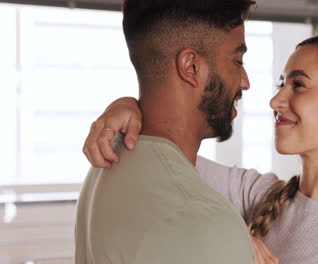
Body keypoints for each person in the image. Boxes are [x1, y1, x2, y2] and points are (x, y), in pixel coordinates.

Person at [83, 34, 318, 263]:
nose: (275, 100)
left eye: (298, 84)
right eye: (281, 84)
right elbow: (163, 151)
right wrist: (126, 106)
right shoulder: (258, 195)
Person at [74, 0, 276, 263]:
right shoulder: (204, 222)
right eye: (237, 60)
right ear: (190, 67)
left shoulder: (108, 164)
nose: (245, 81)